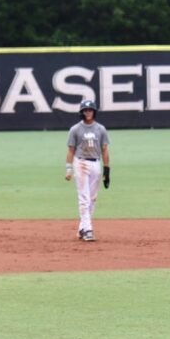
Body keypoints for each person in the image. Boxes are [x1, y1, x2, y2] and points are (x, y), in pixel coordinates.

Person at [65, 99, 110, 242]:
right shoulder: (75, 129)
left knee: (92, 198)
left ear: (94, 112)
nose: (88, 112)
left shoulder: (100, 129)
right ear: (82, 112)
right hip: (81, 163)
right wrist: (68, 168)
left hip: (96, 163)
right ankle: (88, 230)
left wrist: (107, 169)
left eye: (90, 110)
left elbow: (104, 150)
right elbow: (71, 150)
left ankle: (82, 228)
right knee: (84, 198)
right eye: (85, 110)